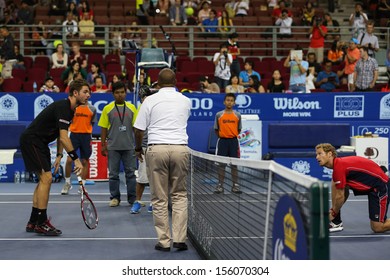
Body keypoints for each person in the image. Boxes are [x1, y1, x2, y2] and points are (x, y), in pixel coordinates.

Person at [21, 79, 88, 236]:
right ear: (75, 93)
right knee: (47, 178)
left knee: (44, 179)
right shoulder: (64, 107)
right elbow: (65, 138)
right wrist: (76, 159)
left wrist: (59, 155)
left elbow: (60, 134)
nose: (88, 95)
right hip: (33, 141)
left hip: (39, 143)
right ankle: (42, 222)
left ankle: (33, 221)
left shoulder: (71, 110)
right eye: (85, 92)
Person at [134, 68, 191, 252]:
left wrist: (137, 148)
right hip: (180, 149)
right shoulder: (185, 100)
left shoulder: (150, 100)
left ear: (157, 83)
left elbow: (138, 129)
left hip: (156, 148)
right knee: (179, 195)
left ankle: (164, 242)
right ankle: (180, 239)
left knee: (159, 198)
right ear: (175, 81)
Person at [315, 143, 390, 233]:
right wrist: (334, 212)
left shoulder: (339, 167)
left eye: (320, 154)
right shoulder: (339, 166)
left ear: (330, 154)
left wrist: (333, 213)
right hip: (371, 185)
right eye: (316, 154)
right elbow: (343, 193)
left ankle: (335, 219)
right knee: (335, 183)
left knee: (377, 227)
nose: (317, 157)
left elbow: (340, 196)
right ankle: (336, 222)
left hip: (381, 188)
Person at [98, 81, 137, 207]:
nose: (120, 95)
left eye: (122, 92)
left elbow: (136, 129)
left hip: (129, 147)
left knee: (130, 173)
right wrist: (103, 145)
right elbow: (103, 128)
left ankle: (132, 198)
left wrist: (137, 146)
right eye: (117, 93)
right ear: (113, 94)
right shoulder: (107, 109)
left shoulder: (132, 108)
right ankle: (115, 197)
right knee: (113, 174)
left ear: (126, 93)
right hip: (113, 147)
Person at [61, 96, 97, 195]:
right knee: (69, 160)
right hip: (74, 136)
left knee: (85, 161)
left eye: (87, 93)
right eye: (84, 92)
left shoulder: (92, 109)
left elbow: (92, 123)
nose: (85, 95)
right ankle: (67, 183)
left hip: (86, 137)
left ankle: (82, 187)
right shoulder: (74, 108)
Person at [130, 85, 155, 214]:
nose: (144, 99)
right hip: (144, 148)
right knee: (141, 178)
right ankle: (137, 202)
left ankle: (154, 203)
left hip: (156, 147)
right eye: (142, 98)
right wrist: (138, 148)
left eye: (145, 97)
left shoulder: (157, 108)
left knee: (156, 179)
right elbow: (137, 130)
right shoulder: (141, 109)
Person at [213, 92, 242, 194]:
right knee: (221, 165)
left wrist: (231, 136)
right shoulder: (219, 115)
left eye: (231, 101)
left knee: (234, 165)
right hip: (222, 142)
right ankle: (220, 186)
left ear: (234, 103)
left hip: (233, 142)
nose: (229, 102)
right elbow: (216, 129)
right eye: (228, 100)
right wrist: (224, 136)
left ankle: (235, 186)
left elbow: (239, 129)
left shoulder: (237, 115)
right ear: (224, 102)